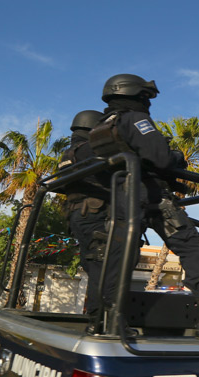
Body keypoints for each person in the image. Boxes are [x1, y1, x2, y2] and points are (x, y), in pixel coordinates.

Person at [89, 73, 199, 341]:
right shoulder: (135, 119)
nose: (148, 104)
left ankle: (108, 322)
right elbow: (161, 158)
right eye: (146, 98)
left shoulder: (102, 127)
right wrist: (176, 157)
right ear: (136, 96)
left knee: (119, 259)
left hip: (120, 201)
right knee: (195, 249)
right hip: (151, 199)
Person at [63, 110, 111, 320]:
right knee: (103, 266)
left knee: (93, 264)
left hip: (77, 216)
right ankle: (98, 320)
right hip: (93, 214)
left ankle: (97, 317)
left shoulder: (68, 153)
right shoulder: (89, 149)